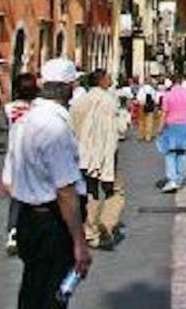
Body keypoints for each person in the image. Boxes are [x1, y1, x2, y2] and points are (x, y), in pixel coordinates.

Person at [11, 58, 92, 308]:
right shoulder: (54, 126)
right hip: (51, 223)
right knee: (52, 296)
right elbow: (65, 190)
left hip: (29, 217)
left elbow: (10, 174)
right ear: (68, 87)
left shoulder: (27, 119)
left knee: (32, 292)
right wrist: (79, 242)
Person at [70, 69, 126, 249]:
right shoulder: (111, 101)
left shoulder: (80, 102)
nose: (111, 80)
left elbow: (72, 126)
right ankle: (107, 225)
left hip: (84, 154)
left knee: (90, 190)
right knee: (115, 190)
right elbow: (122, 128)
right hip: (107, 151)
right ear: (101, 81)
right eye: (108, 77)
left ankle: (90, 230)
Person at [2, 71, 40, 255]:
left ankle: (13, 232)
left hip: (15, 155)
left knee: (16, 198)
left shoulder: (9, 108)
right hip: (35, 157)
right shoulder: (39, 109)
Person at [158, 72, 186, 193]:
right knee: (182, 153)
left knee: (170, 153)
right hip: (185, 126)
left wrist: (160, 128)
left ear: (171, 82)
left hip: (171, 126)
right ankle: (179, 178)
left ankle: (172, 179)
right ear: (181, 82)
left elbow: (164, 113)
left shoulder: (167, 95)